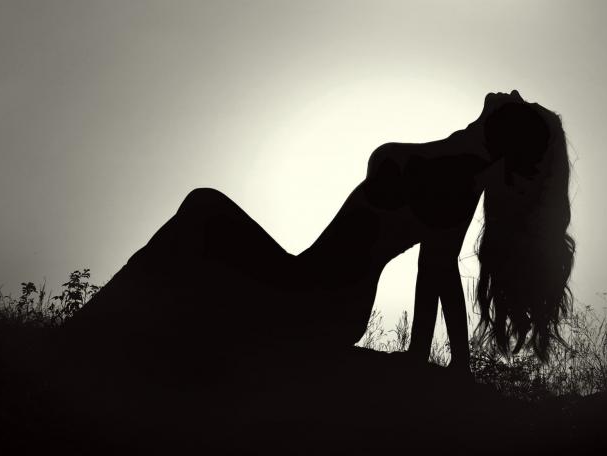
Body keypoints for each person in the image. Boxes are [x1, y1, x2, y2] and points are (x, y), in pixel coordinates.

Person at [64, 90, 575, 380]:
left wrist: (442, 366)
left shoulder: (460, 181)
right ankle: (94, 338)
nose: (512, 92)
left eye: (519, 104)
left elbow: (437, 273)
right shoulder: (451, 161)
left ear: (506, 137)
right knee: (203, 213)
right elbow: (433, 272)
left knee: (204, 206)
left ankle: (76, 343)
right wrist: (434, 363)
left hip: (321, 302)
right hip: (304, 277)